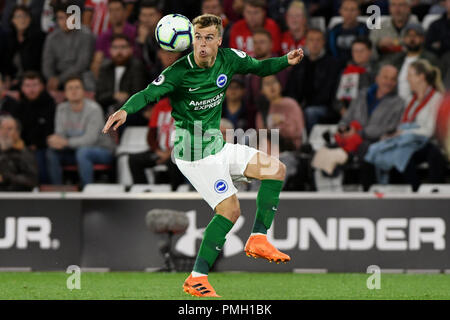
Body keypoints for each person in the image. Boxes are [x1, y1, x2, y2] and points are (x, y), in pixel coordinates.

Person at [102, 13, 304, 297]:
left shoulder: (229, 58)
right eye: (197, 37)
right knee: (230, 211)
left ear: (218, 40)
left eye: (209, 38)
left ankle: (258, 238)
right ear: (190, 39)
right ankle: (197, 278)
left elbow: (259, 67)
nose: (202, 44)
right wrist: (124, 110)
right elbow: (148, 94)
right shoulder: (179, 72)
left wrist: (285, 61)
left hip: (217, 146)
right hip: (193, 154)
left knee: (275, 169)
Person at [364, 59, 446, 191]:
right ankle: (380, 192)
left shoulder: (436, 99)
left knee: (402, 154)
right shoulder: (410, 100)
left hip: (426, 143)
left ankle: (416, 193)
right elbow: (403, 124)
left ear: (421, 77)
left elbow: (429, 131)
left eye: (410, 75)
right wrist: (395, 134)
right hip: (407, 141)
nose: (407, 79)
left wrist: (403, 133)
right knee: (376, 151)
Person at [47, 76, 115, 187]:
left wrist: (66, 142)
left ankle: (87, 191)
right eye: (70, 88)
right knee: (52, 152)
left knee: (83, 152)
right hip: (74, 150)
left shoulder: (94, 109)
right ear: (65, 93)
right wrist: (55, 141)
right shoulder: (61, 108)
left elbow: (90, 139)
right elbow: (60, 134)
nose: (73, 91)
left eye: (77, 88)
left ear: (83, 91)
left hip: (101, 150)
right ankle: (57, 191)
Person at [286, 28, 343, 133]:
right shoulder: (298, 64)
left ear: (323, 42)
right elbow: (291, 88)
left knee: (309, 112)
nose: (315, 44)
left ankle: (307, 143)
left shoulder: (333, 64)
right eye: (311, 40)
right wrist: (294, 105)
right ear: (306, 42)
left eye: (318, 40)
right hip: (301, 105)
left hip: (325, 107)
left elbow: (329, 92)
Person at [127, 97, 184, 190]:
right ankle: (142, 191)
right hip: (160, 151)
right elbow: (151, 135)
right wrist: (158, 152)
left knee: (174, 161)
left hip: (179, 152)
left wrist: (169, 154)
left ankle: (175, 194)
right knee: (133, 160)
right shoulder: (160, 105)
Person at [42, 3, 95, 91]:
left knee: (88, 80)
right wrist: (51, 78)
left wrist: (60, 79)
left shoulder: (86, 34)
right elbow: (47, 63)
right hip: (57, 76)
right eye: (61, 18)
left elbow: (82, 64)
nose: (65, 21)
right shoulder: (52, 37)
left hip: (80, 75)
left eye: (68, 17)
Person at [384, 23, 440, 103]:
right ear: (404, 39)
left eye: (416, 35)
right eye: (408, 36)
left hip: (421, 102)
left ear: (422, 39)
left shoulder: (430, 59)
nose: (412, 39)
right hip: (396, 104)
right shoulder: (397, 59)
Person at [16, 71, 55, 184]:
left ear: (42, 86)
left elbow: (50, 129)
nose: (31, 89)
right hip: (24, 145)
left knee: (40, 156)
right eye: (27, 86)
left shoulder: (49, 104)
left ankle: (44, 189)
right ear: (22, 88)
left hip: (44, 145)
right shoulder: (19, 106)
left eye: (34, 85)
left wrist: (36, 144)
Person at [95, 34, 148, 117]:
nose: (119, 51)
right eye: (115, 48)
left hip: (130, 111)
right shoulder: (105, 68)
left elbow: (138, 94)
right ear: (110, 50)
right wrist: (114, 95)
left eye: (123, 47)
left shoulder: (137, 67)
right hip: (107, 109)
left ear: (131, 50)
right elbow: (99, 96)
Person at [256, 75, 305, 151]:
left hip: (291, 149)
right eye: (267, 84)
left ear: (280, 85)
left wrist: (282, 121)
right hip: (270, 152)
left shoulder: (290, 104)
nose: (271, 86)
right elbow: (261, 137)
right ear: (262, 91)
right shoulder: (262, 111)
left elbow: (299, 131)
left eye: (274, 82)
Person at [91, 0, 137, 78]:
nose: (114, 13)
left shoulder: (134, 32)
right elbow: (97, 61)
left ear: (125, 12)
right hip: (109, 75)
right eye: (111, 10)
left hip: (130, 72)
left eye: (117, 10)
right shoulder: (104, 36)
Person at [4, 5, 46, 89]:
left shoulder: (39, 38)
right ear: (12, 20)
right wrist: (7, 78)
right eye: (18, 16)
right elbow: (5, 64)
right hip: (12, 81)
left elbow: (38, 65)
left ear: (30, 19)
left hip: (33, 80)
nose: (22, 19)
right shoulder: (8, 39)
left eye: (25, 16)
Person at [334, 37, 377, 116]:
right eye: (355, 51)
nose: (358, 54)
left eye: (361, 51)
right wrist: (344, 112)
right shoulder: (346, 71)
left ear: (370, 52)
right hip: (347, 113)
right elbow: (337, 99)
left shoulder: (377, 72)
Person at [0, 115, 38, 191]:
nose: (4, 132)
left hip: (16, 198)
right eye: (1, 128)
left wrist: (7, 176)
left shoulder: (25, 154)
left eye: (9, 129)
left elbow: (32, 181)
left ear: (17, 133)